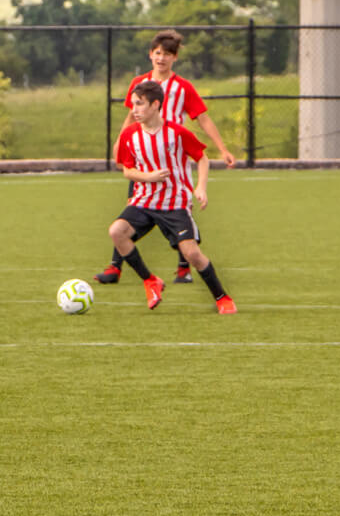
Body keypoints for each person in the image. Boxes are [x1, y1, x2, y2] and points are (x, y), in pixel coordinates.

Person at [95, 30, 237, 287]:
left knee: (177, 212)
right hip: (143, 157)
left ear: (175, 58)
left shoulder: (182, 88)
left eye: (167, 54)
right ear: (150, 55)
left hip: (172, 158)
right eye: (158, 53)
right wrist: (120, 141)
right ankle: (116, 266)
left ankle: (185, 265)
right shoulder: (140, 83)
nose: (161, 58)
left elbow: (202, 118)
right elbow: (130, 116)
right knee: (132, 209)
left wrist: (222, 148)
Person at [107, 80, 237, 314]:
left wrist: (201, 187)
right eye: (134, 104)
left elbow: (202, 158)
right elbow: (126, 169)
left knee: (192, 254)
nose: (134, 109)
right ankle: (150, 280)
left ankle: (222, 298)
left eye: (140, 104)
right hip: (143, 201)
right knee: (117, 231)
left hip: (174, 204)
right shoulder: (130, 135)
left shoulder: (176, 133)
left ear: (155, 105)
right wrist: (148, 177)